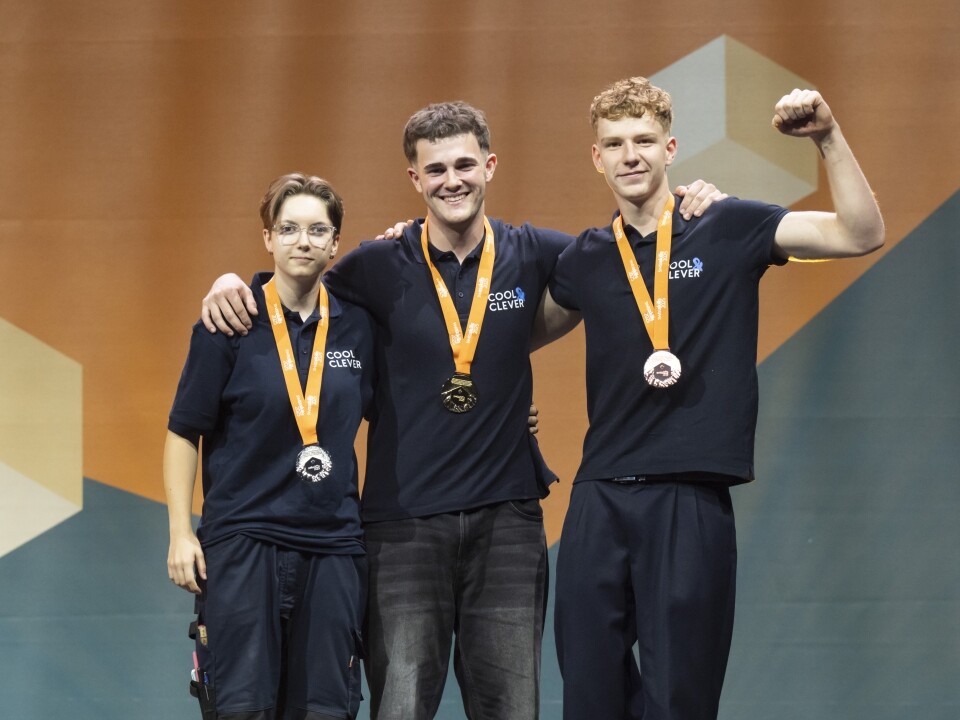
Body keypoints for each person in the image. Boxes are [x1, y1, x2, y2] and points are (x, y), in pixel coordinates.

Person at [201, 103, 725, 720]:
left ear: (490, 166)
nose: (453, 179)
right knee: (399, 709)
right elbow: (298, 293)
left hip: (507, 523)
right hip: (401, 528)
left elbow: (634, 252)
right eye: (437, 168)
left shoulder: (535, 253)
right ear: (415, 180)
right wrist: (233, 281)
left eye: (465, 165)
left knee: (509, 708)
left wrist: (691, 201)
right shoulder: (376, 265)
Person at [540, 79, 885, 719]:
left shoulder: (727, 225)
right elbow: (507, 341)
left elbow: (860, 235)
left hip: (689, 495)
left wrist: (827, 139)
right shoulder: (585, 257)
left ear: (670, 147)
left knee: (680, 698)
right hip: (600, 496)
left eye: (644, 140)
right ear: (596, 158)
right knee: (589, 695)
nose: (630, 155)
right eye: (614, 144)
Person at [164, 173, 376, 720]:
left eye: (316, 230)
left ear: (336, 244)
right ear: (268, 239)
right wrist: (181, 532)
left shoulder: (358, 328)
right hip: (243, 541)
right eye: (288, 228)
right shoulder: (227, 321)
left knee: (327, 709)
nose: (301, 241)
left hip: (333, 546)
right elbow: (184, 430)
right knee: (242, 708)